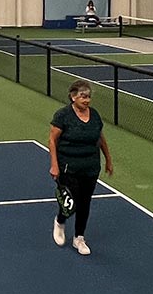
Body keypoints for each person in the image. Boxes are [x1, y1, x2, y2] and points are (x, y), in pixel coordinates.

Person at [48, 78, 114, 256]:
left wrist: (108, 159)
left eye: (88, 97)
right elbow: (52, 140)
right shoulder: (63, 115)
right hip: (68, 166)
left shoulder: (95, 115)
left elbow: (100, 138)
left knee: (85, 202)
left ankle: (79, 238)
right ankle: (60, 221)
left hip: (91, 167)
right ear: (73, 97)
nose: (86, 100)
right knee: (71, 202)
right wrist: (54, 164)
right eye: (83, 97)